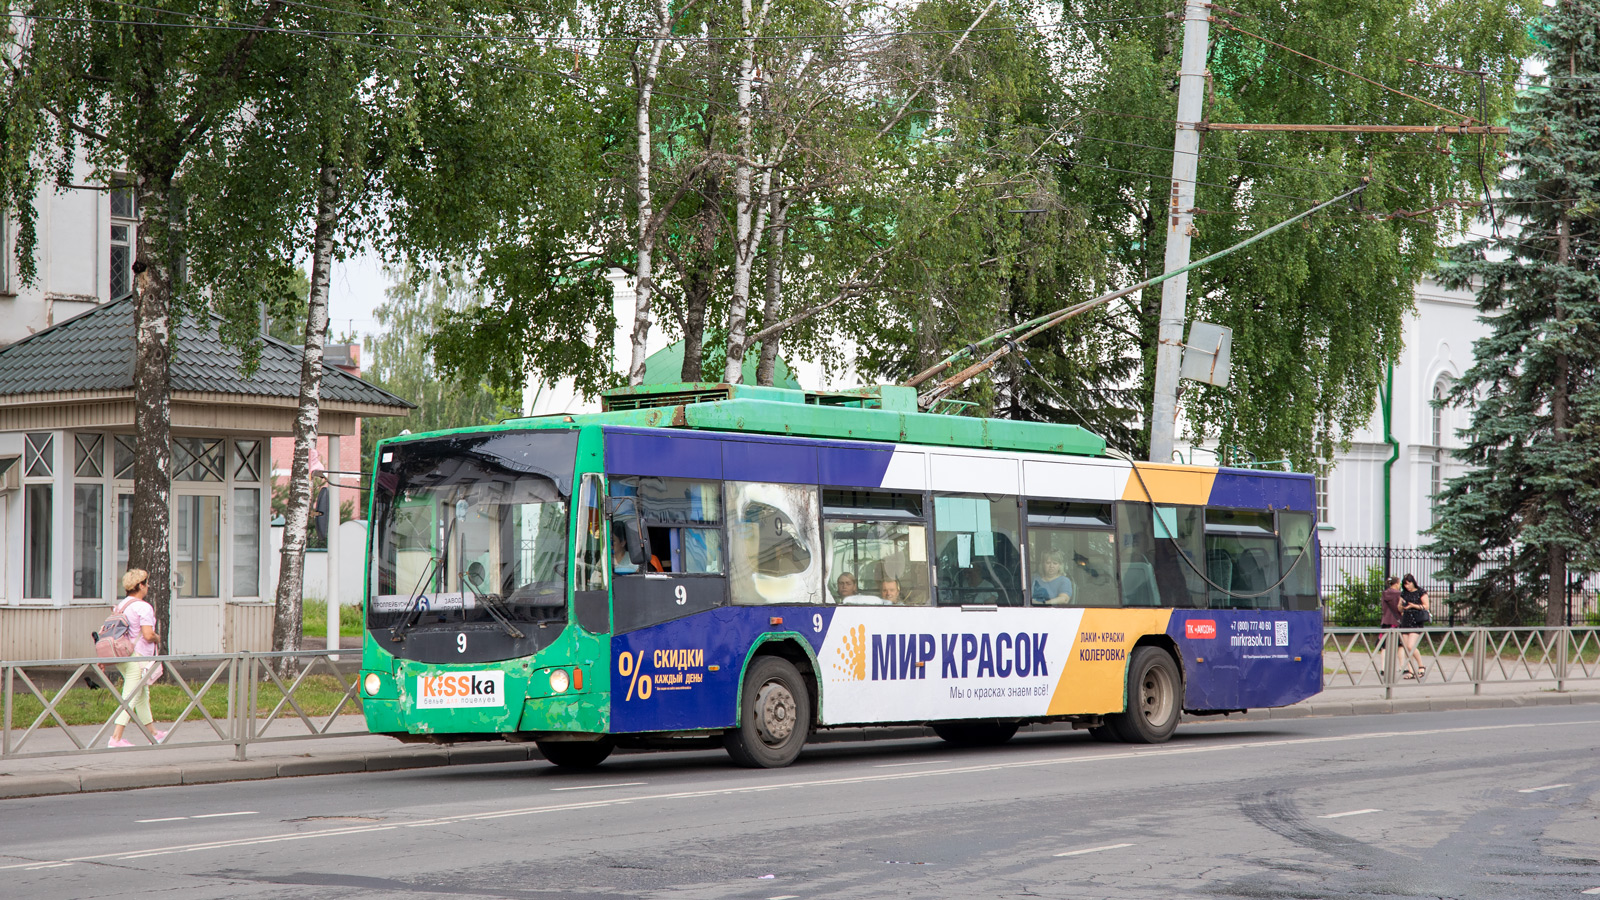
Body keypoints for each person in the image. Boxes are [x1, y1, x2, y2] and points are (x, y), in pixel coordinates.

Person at [108, 569, 166, 748]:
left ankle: (154, 734)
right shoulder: (143, 607)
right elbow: (148, 635)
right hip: (137, 656)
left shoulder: (122, 605)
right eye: (146, 583)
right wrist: (158, 638)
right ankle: (116, 738)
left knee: (141, 694)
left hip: (122, 655)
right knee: (131, 695)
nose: (147, 586)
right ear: (140, 585)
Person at [1398, 574, 1429, 679]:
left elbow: (1426, 606)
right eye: (1405, 584)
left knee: (1411, 646)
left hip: (1416, 620)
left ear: (1413, 582)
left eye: (1409, 583)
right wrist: (1401, 606)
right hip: (1405, 620)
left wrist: (1413, 606)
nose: (1407, 586)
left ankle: (1421, 665)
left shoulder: (1421, 592)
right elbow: (1400, 609)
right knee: (1406, 648)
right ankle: (1411, 671)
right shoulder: (1404, 593)